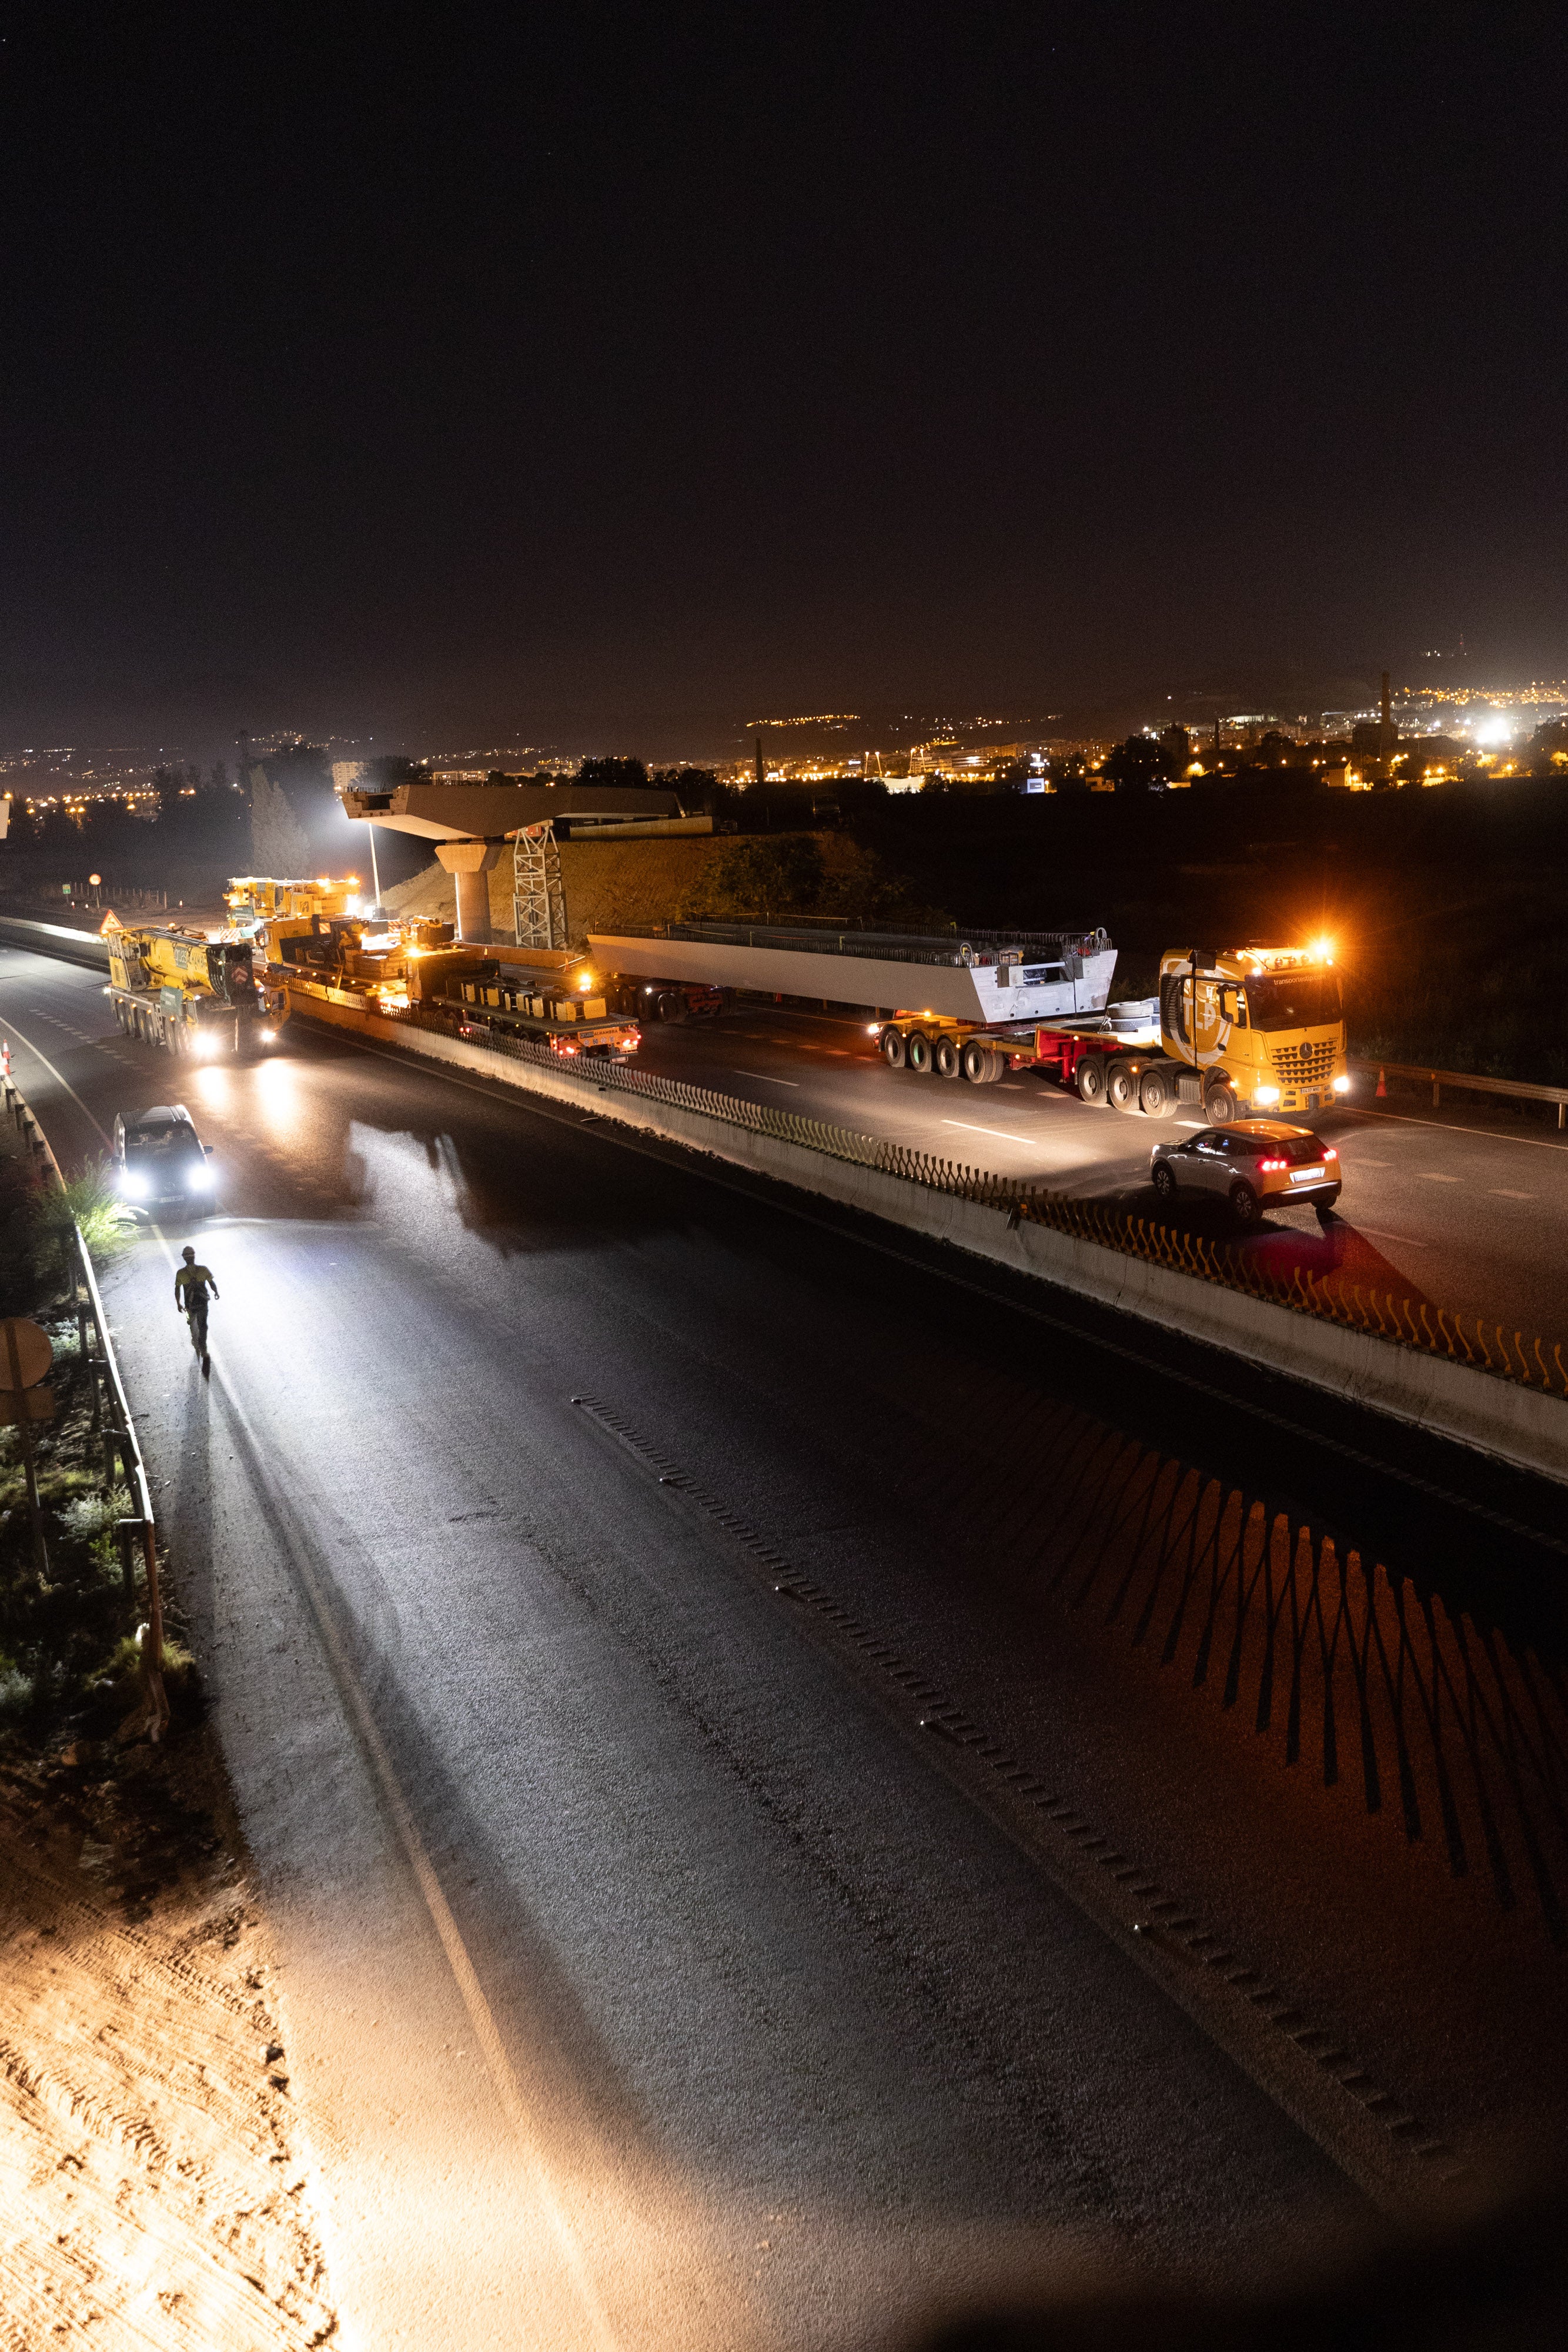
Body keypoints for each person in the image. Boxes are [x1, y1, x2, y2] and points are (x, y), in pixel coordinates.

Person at [173, 1245, 219, 1355]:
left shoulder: (181, 1273)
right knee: (203, 1326)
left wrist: (178, 1303)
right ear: (194, 1257)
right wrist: (216, 1292)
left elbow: (177, 1289)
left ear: (184, 1258)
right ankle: (203, 1349)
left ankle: (196, 1342)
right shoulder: (203, 1270)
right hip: (203, 1303)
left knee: (193, 1323)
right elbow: (211, 1283)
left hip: (190, 1305)